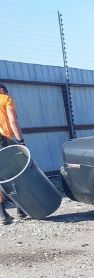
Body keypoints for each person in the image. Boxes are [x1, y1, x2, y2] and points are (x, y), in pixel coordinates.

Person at [0, 83, 26, 225]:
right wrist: (21, 140)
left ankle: (3, 215)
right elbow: (12, 121)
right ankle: (20, 210)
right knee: (14, 173)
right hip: (4, 141)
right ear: (2, 90)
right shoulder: (6, 99)